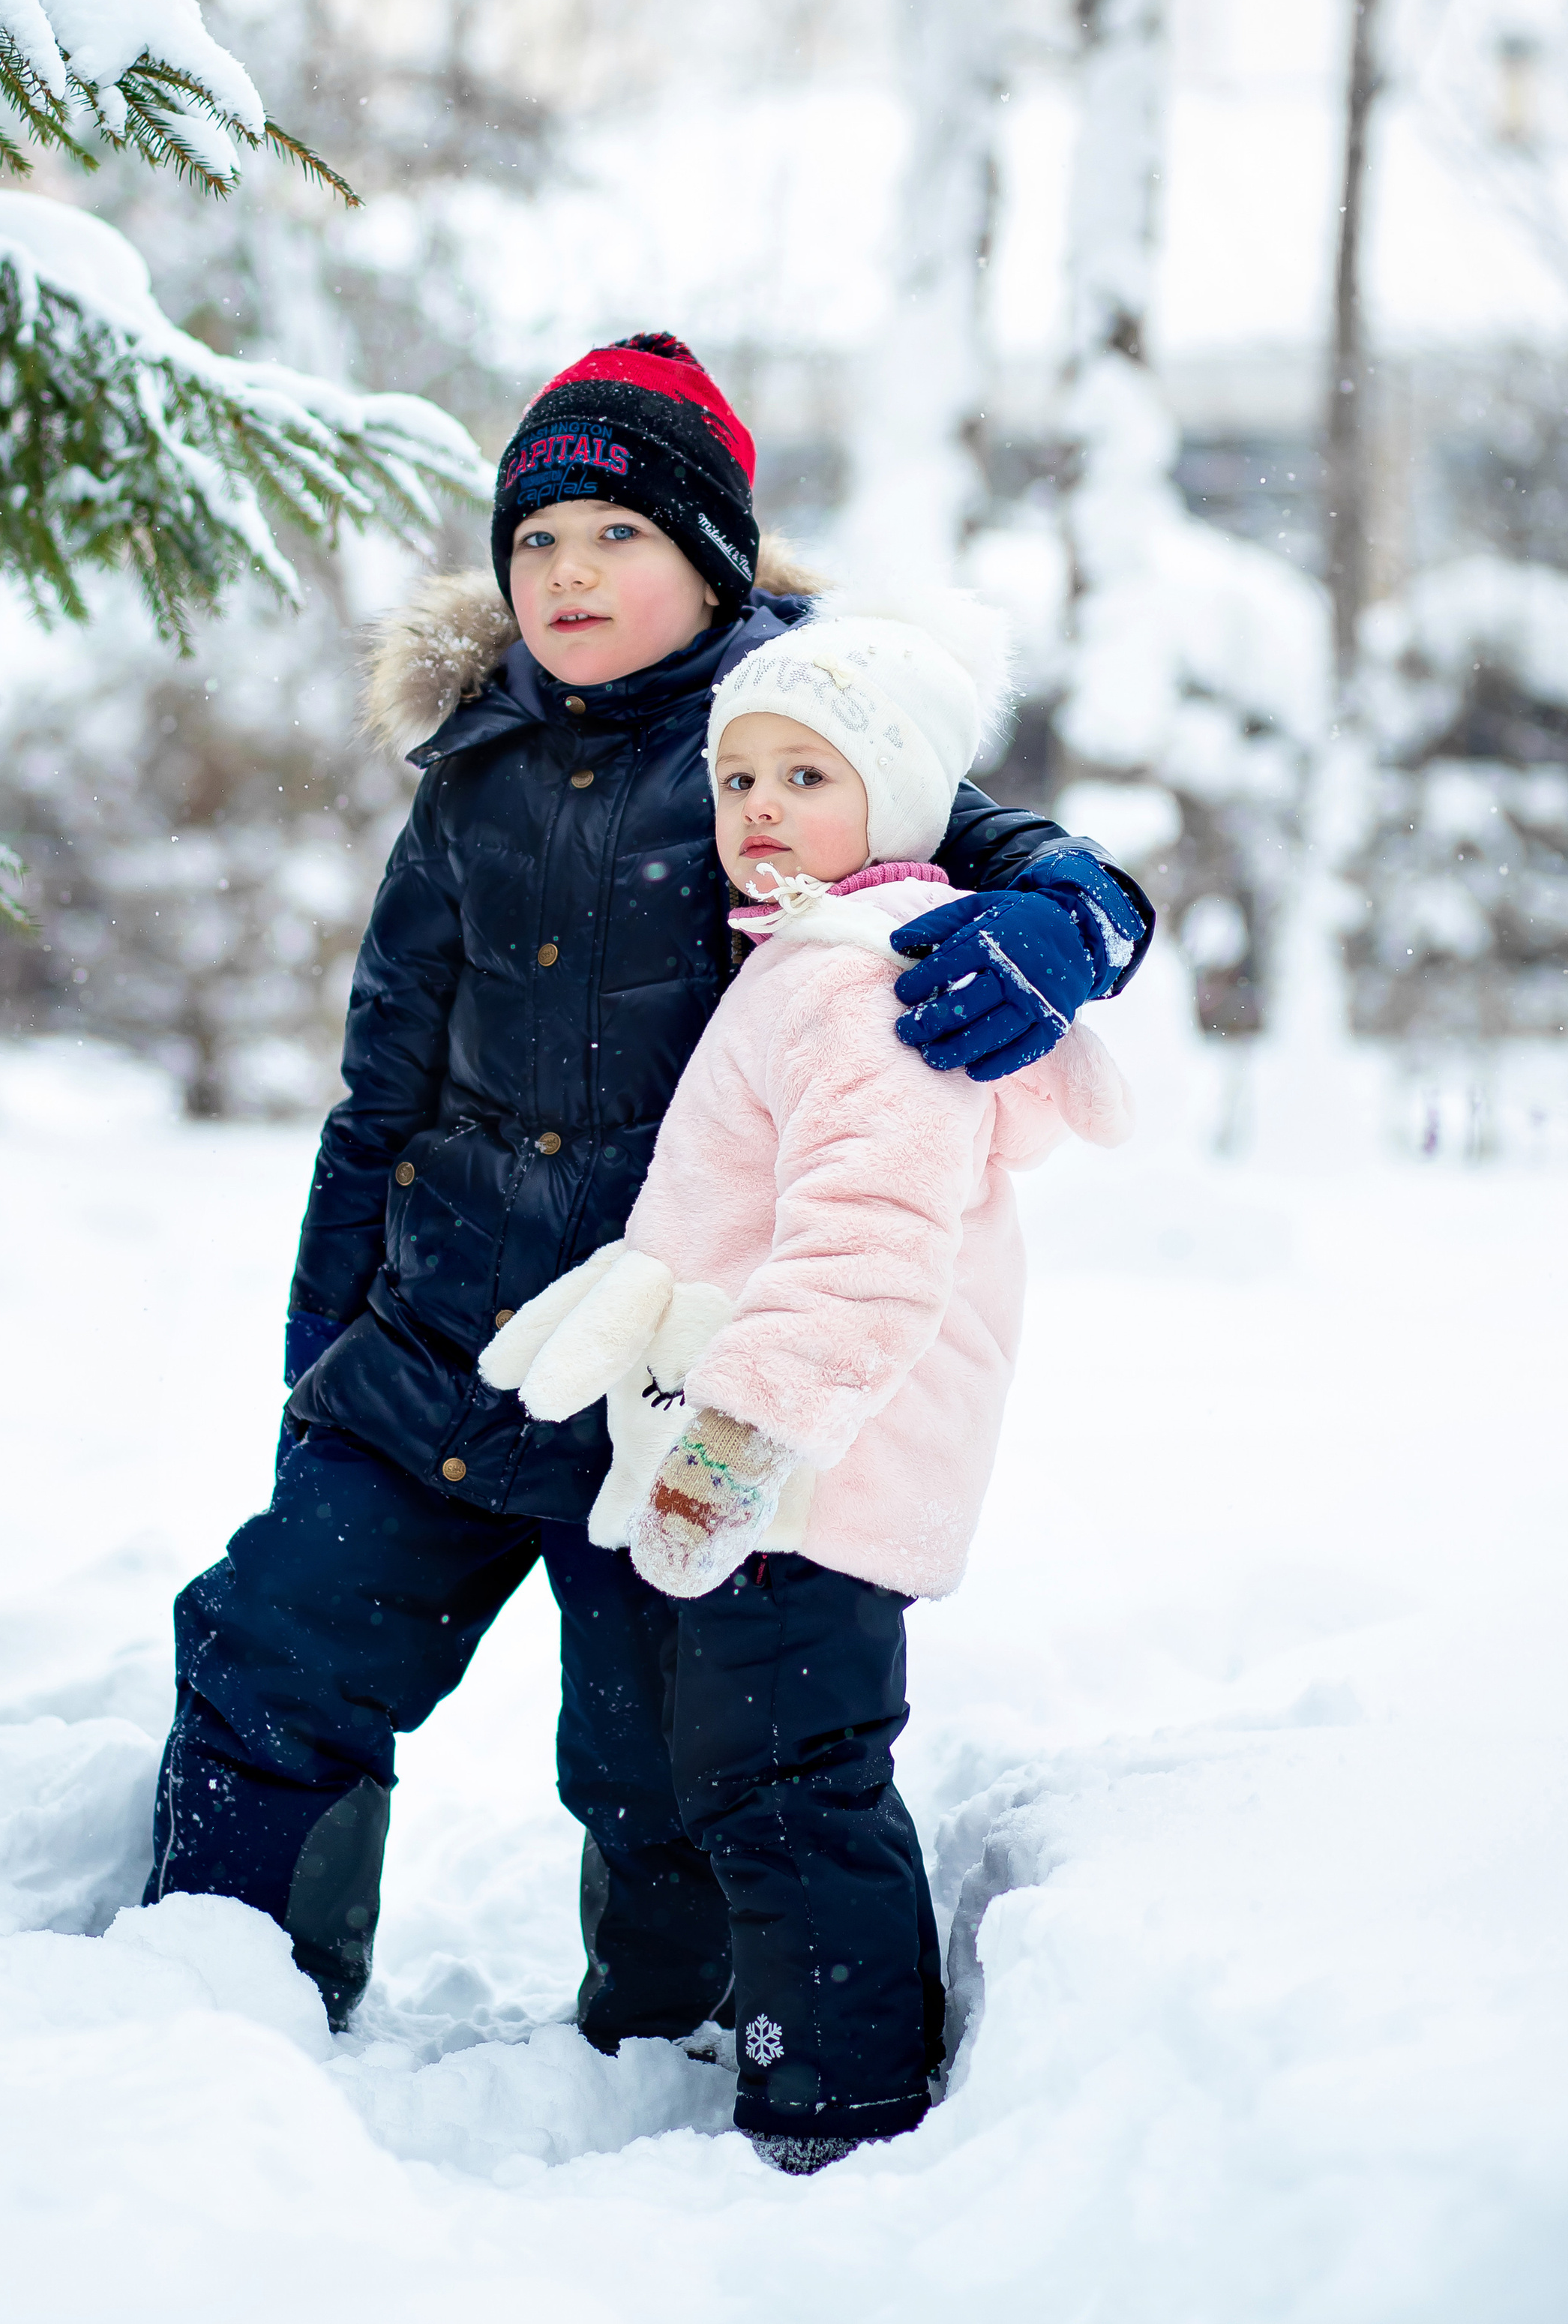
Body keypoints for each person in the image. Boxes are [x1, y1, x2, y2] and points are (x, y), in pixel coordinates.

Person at [142, 333, 1153, 2062]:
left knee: (657, 1767)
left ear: (707, 559)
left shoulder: (793, 738)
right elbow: (378, 1094)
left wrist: (1075, 913)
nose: (564, 574)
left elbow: (988, 840)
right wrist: (324, 1354)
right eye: (532, 541)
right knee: (272, 1650)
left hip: (665, 1369)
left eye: (611, 534)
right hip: (448, 1343)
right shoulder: (472, 777)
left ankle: (663, 2057)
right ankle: (212, 2012)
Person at [479, 604, 1133, 2171]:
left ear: (897, 808)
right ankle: (748, 2044)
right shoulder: (799, 960)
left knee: (788, 1781)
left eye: (806, 779)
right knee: (727, 1765)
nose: (757, 812)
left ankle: (835, 2108)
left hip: (811, 1467)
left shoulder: (866, 988)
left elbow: (867, 1248)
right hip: (770, 1462)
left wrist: (739, 1442)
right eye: (737, 782)